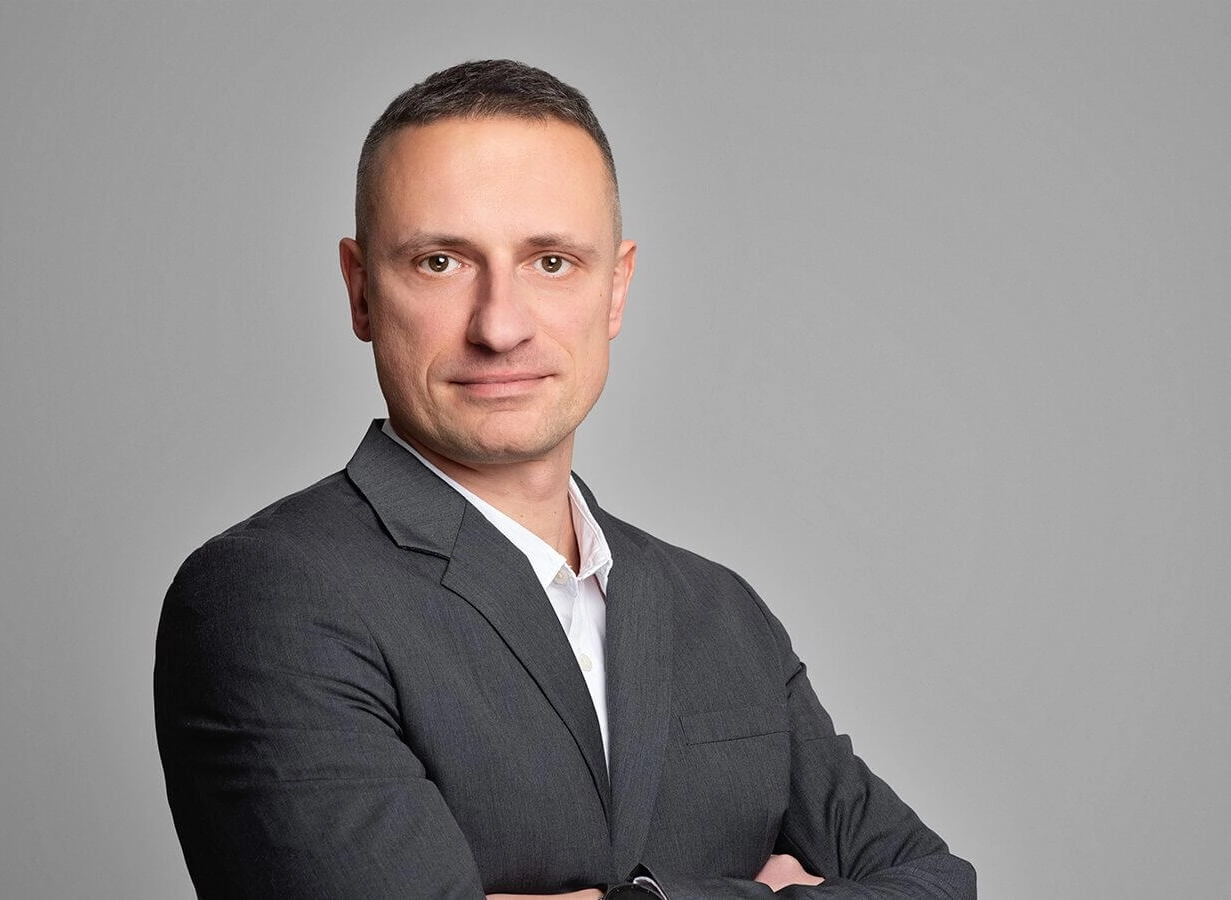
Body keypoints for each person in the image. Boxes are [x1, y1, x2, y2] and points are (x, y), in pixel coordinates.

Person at [154, 59, 976, 899]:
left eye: (550, 262)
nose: (500, 326)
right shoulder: (268, 595)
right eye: (440, 262)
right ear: (362, 291)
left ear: (615, 289)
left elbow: (939, 885)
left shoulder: (722, 612)